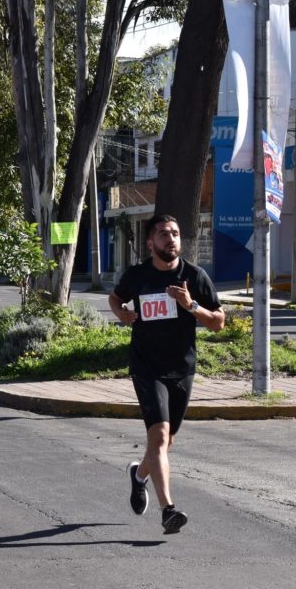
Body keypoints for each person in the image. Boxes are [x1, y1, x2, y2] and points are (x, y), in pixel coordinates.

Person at [108, 214, 225, 535]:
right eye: (163, 234)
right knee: (158, 437)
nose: (170, 239)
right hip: (146, 366)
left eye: (174, 233)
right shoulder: (138, 275)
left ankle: (138, 475)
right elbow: (115, 298)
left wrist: (191, 306)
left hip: (181, 369)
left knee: (166, 441)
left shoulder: (195, 276)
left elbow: (218, 321)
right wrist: (122, 314)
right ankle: (168, 510)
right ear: (150, 242)